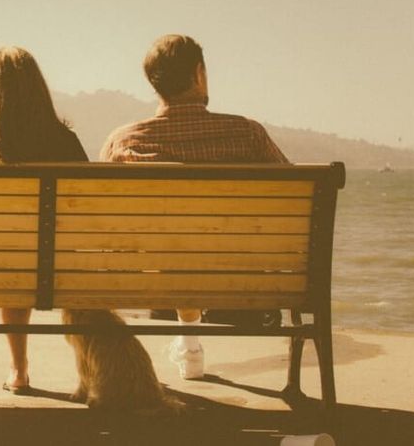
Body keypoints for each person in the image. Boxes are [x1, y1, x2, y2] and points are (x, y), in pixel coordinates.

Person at [100, 34, 288, 380]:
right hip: (240, 286)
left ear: (154, 84)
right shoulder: (247, 135)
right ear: (199, 73)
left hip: (156, 285)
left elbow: (103, 223)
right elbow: (292, 205)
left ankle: (187, 336)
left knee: (172, 262)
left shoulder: (123, 143)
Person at [0, 46, 88, 394]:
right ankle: (88, 372)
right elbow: (86, 214)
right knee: (32, 257)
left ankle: (19, 369)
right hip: (63, 266)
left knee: (10, 262)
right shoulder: (65, 143)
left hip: (1, 267)